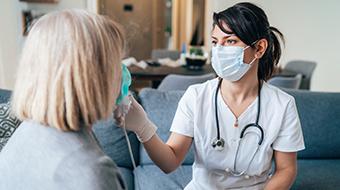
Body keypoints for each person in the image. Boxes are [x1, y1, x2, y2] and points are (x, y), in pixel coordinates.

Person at [120, 2, 305, 190]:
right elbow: (170, 162)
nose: (219, 50)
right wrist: (143, 128)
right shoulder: (196, 97)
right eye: (216, 42)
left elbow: (286, 169)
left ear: (259, 48)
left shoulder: (282, 105)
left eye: (230, 41)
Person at [0, 10, 126, 190]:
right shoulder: (91, 172)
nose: (122, 75)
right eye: (116, 64)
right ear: (95, 76)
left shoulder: (26, 133)